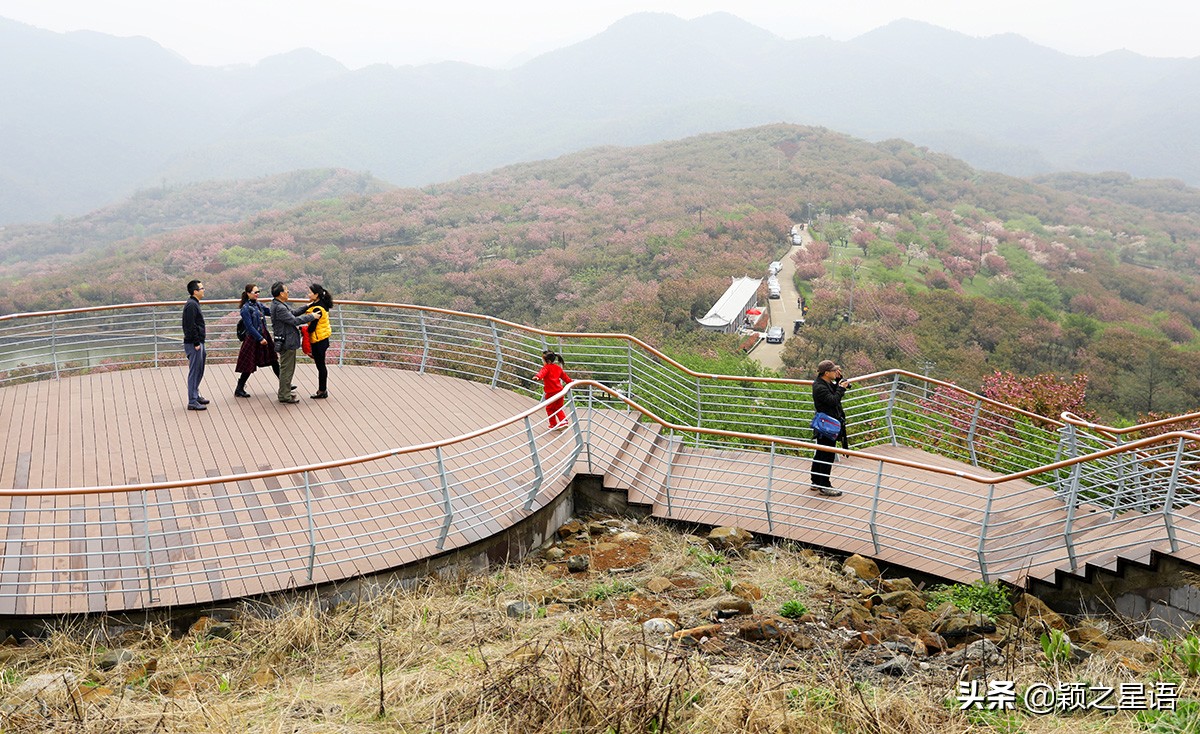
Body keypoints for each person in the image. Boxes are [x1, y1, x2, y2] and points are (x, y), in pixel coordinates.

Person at [269, 282, 318, 404]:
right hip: (287, 341)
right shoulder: (279, 307)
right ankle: (284, 395)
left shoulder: (278, 304)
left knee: (287, 368)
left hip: (286, 340)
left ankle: (285, 392)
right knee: (287, 369)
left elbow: (293, 313)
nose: (288, 292)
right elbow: (294, 320)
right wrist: (312, 316)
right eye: (286, 290)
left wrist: (307, 306)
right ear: (281, 293)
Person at [233, 283, 281, 398]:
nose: (257, 294)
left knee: (274, 359)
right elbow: (249, 326)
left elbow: (270, 312)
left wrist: (281, 310)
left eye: (258, 292)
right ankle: (239, 388)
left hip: (263, 334)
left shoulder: (258, 305)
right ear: (248, 293)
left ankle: (285, 383)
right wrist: (260, 338)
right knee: (249, 364)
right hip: (254, 337)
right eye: (255, 292)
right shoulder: (245, 308)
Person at [810, 359, 850, 497]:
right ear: (826, 373)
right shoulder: (819, 387)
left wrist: (840, 381)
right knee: (827, 454)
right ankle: (824, 485)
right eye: (834, 371)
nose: (836, 372)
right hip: (826, 426)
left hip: (827, 423)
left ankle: (815, 481)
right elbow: (833, 400)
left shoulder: (825, 383)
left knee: (821, 452)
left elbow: (837, 390)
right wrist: (841, 388)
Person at [181, 279, 208, 411]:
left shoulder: (194, 303)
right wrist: (196, 342)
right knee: (194, 371)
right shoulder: (191, 305)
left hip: (198, 342)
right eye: (201, 288)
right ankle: (192, 400)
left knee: (199, 369)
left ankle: (195, 395)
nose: (203, 290)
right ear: (195, 291)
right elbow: (190, 326)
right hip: (194, 343)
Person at [303, 283, 333, 399]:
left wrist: (302, 328)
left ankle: (322, 391)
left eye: (310, 292)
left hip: (318, 340)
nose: (308, 294)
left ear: (316, 295)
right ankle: (322, 390)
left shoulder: (317, 309)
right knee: (321, 365)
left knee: (321, 366)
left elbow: (311, 328)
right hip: (323, 338)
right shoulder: (320, 304)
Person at [534, 350, 572, 430]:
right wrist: (571, 382)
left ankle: (553, 424)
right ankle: (564, 421)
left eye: (543, 360)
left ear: (547, 361)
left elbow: (542, 372)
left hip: (551, 392)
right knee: (558, 407)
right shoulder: (557, 368)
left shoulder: (547, 368)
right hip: (560, 391)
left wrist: (538, 377)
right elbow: (565, 377)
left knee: (549, 408)